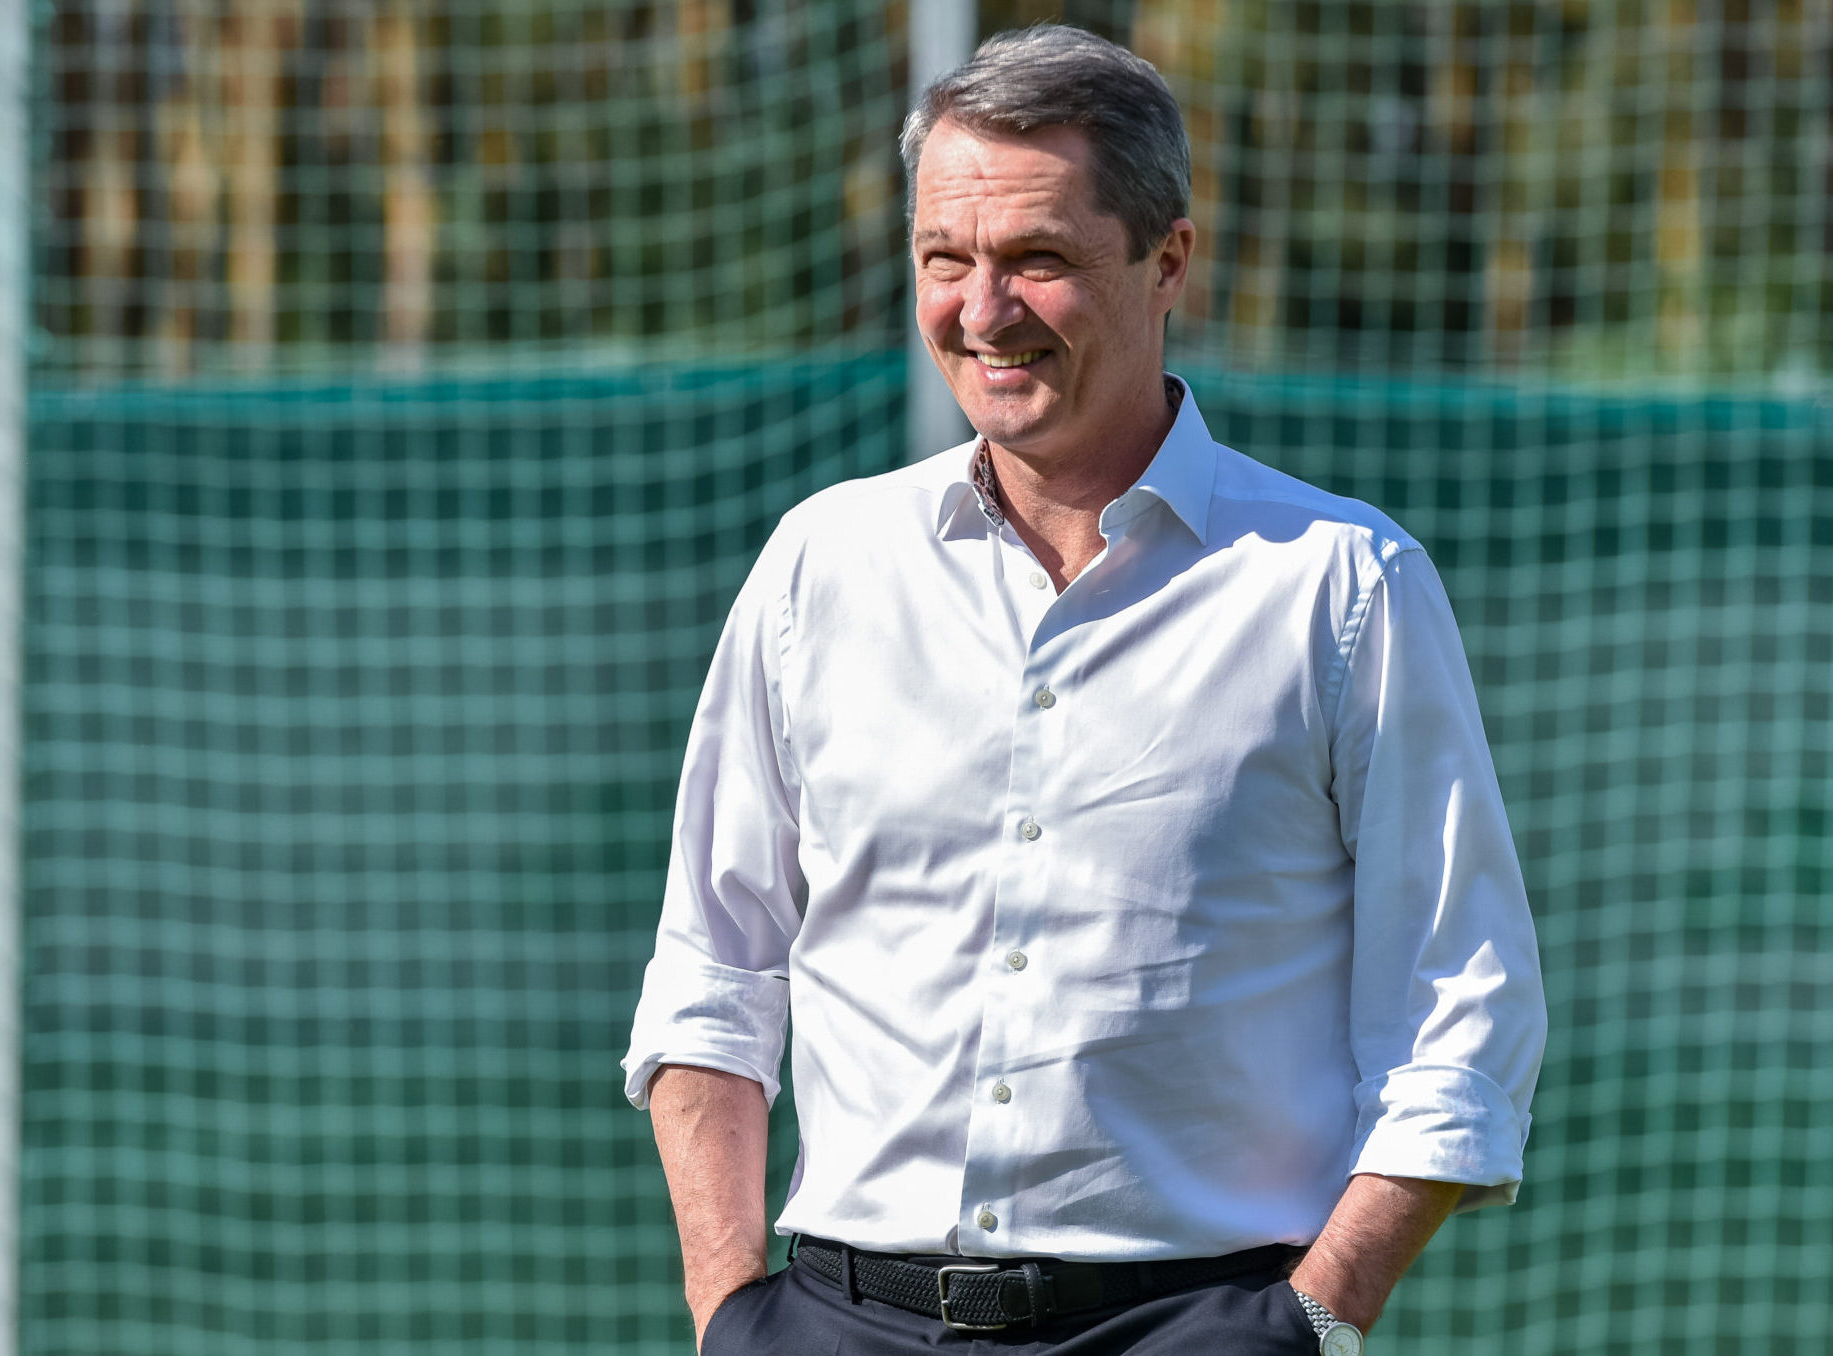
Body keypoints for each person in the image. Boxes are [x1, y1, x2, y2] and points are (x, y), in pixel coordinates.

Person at [621, 24, 1545, 1355]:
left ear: (1168, 258)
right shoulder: (820, 564)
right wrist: (727, 1312)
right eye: (946, 259)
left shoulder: (1341, 587)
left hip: (1193, 1327)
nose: (980, 310)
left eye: (1037, 260)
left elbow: (1462, 1004)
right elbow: (713, 967)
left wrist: (1310, 1326)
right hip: (831, 1323)